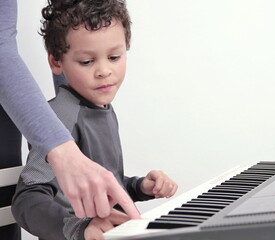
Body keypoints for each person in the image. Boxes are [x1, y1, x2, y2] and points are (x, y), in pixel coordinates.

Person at [11, 0, 178, 239]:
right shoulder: (60, 116)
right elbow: (27, 199)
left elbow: (105, 185)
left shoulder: (103, 108)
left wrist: (141, 187)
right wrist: (79, 228)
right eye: (87, 62)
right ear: (56, 61)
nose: (103, 71)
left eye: (114, 57)